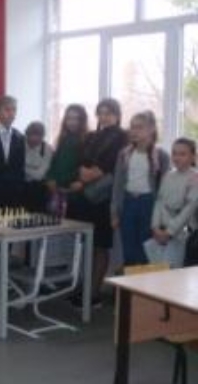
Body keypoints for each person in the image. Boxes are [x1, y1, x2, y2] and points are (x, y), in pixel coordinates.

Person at [68, 98, 127, 307]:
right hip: (85, 196)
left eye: (109, 113)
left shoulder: (123, 136)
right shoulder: (92, 136)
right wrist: (82, 172)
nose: (104, 117)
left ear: (117, 115)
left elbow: (112, 165)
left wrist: (90, 175)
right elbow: (80, 159)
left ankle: (94, 292)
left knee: (101, 245)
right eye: (100, 113)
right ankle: (83, 287)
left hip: (104, 198)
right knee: (87, 244)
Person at [111, 111, 170, 266]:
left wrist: (162, 217)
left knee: (146, 247)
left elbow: (165, 190)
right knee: (128, 248)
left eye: (139, 127)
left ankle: (144, 280)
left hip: (149, 203)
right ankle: (130, 278)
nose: (134, 131)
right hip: (128, 202)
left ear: (151, 129)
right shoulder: (124, 154)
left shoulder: (161, 156)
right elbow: (117, 185)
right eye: (132, 127)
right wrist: (114, 212)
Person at [150, 138, 198, 260]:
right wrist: (155, 226)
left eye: (182, 154)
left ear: (193, 157)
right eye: (174, 153)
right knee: (161, 266)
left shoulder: (195, 178)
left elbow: (189, 209)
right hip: (162, 230)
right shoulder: (168, 175)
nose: (177, 157)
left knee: (179, 267)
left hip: (184, 233)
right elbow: (159, 202)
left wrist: (170, 232)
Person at [45, 104, 90, 216]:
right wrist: (50, 177)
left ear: (82, 120)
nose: (72, 122)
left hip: (75, 192)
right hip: (57, 190)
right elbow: (55, 162)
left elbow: (88, 165)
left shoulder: (88, 139)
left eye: (76, 119)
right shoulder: (62, 138)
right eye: (69, 118)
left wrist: (81, 182)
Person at [23, 121, 54, 212]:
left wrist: (23, 167)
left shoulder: (47, 149)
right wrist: (32, 169)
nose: (34, 139)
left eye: (38, 136)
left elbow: (39, 175)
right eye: (31, 136)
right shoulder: (19, 145)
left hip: (38, 189)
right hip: (20, 187)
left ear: (42, 137)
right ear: (27, 135)